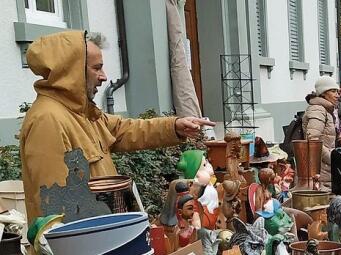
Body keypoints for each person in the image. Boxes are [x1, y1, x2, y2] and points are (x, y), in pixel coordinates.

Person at [19, 31, 214, 222]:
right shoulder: (48, 120)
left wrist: (175, 126)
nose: (104, 77)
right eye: (97, 68)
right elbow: (55, 208)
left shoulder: (81, 113)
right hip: (82, 248)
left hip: (98, 240)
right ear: (71, 70)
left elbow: (125, 130)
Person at [303, 76, 340, 192]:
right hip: (320, 168)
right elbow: (313, 139)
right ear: (323, 93)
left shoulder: (325, 110)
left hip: (324, 167)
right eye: (333, 91)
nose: (337, 95)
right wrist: (331, 158)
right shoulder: (318, 110)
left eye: (338, 91)